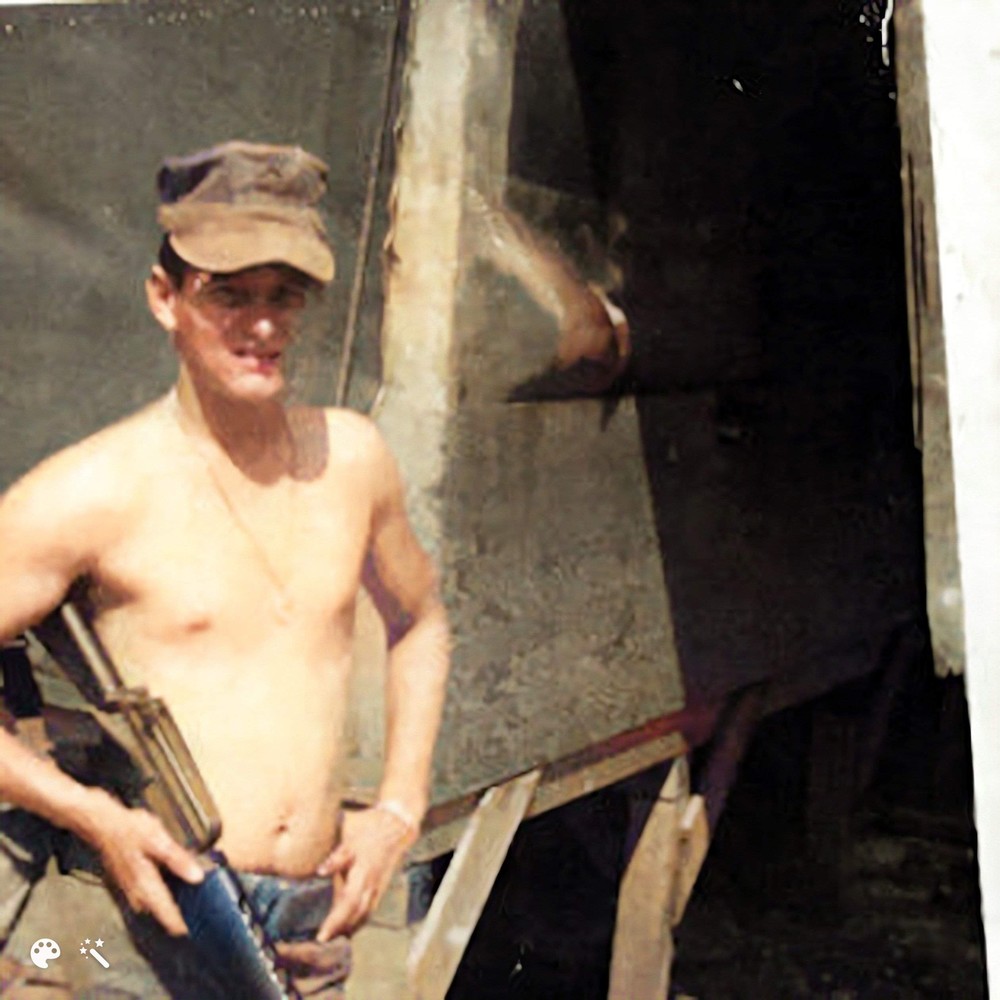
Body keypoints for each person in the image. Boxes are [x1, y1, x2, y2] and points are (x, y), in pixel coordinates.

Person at [0, 140, 451, 998]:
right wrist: (88, 814)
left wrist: (399, 806)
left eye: (284, 296)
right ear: (164, 298)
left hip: (307, 934)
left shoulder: (353, 459)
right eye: (229, 295)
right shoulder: (89, 491)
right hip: (143, 927)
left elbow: (419, 621)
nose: (264, 326)